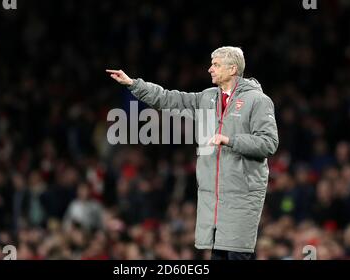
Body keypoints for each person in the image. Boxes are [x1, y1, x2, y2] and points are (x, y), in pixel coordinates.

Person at [106, 46, 279, 260]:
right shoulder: (207, 98)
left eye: (216, 65)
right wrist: (134, 84)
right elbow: (169, 99)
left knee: (238, 255)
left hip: (242, 194)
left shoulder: (258, 101)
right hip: (214, 198)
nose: (209, 69)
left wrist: (230, 140)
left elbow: (269, 143)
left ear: (233, 69)